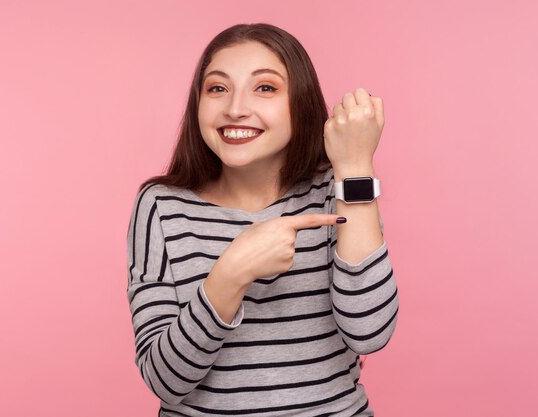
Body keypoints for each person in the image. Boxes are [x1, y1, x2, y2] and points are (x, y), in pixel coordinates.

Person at [126, 22, 399, 417]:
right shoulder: (162, 205)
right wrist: (231, 274)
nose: (235, 108)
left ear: (299, 102)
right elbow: (165, 380)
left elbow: (370, 330)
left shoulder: (333, 191)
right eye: (217, 88)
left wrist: (355, 167)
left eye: (265, 88)